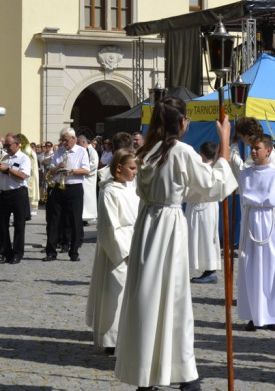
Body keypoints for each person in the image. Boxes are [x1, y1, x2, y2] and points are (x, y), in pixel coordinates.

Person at [114, 97, 236, 391]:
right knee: (174, 299)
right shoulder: (180, 151)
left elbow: (188, 190)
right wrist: (224, 143)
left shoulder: (147, 150)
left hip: (148, 226)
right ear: (182, 123)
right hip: (167, 228)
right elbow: (213, 185)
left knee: (147, 298)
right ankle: (182, 375)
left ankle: (148, 373)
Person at [237, 133, 275, 333]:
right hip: (251, 221)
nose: (253, 152)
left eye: (258, 148)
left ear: (268, 150)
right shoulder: (245, 174)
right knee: (253, 268)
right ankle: (255, 314)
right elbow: (242, 203)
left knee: (273, 268)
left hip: (272, 223)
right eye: (252, 148)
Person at [85, 148, 139, 355]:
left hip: (134, 243)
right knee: (115, 291)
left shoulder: (132, 189)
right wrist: (126, 250)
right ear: (119, 168)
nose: (135, 172)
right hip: (119, 249)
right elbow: (109, 226)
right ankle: (112, 338)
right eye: (132, 168)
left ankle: (128, 335)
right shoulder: (109, 192)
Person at [43, 127, 89, 261]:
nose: (63, 142)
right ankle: (51, 251)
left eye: (66, 140)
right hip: (58, 187)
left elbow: (86, 170)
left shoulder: (81, 151)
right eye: (62, 140)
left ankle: (74, 252)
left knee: (75, 220)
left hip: (74, 188)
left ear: (74, 139)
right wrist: (58, 167)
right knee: (53, 220)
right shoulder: (59, 152)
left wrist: (72, 171)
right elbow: (50, 171)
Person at [187, 141, 222, 284]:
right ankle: (206, 268)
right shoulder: (211, 169)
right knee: (203, 236)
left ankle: (210, 270)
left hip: (204, 207)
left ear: (201, 154)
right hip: (204, 206)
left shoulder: (204, 170)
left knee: (207, 237)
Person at [0, 133, 32, 264]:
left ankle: (17, 253)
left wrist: (8, 169)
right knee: (2, 225)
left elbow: (22, 175)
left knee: (19, 225)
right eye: (5, 145)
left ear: (16, 144)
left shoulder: (24, 158)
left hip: (18, 193)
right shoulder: (4, 157)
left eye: (8, 145)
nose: (6, 148)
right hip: (3, 193)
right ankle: (6, 253)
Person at [79, 134, 100, 226]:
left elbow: (93, 164)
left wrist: (82, 169)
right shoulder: (83, 150)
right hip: (82, 178)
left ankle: (85, 218)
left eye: (78, 143)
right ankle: (82, 217)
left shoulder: (92, 151)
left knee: (87, 198)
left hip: (88, 179)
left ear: (84, 142)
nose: (78, 145)